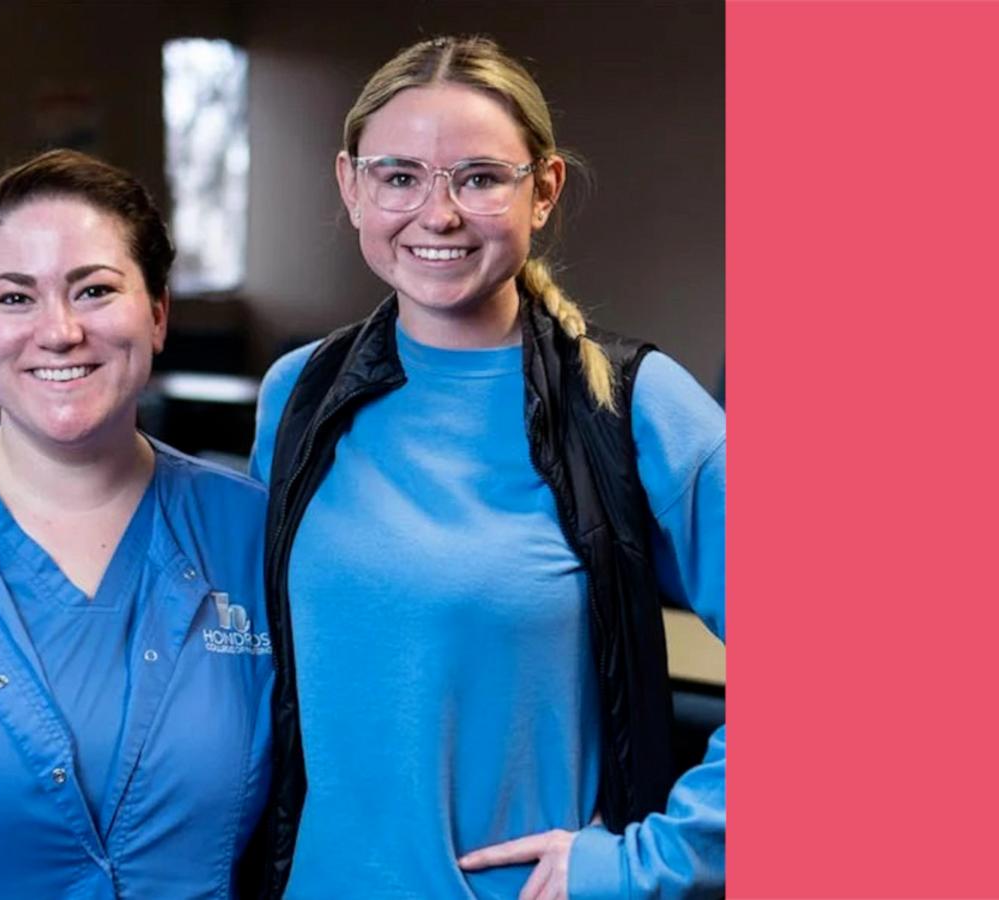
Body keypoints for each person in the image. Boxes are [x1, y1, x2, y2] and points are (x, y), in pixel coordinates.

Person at [245, 36, 725, 899]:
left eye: (478, 178)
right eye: (399, 177)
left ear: (542, 190)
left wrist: (653, 864)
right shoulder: (299, 395)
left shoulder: (634, 404)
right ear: (351, 186)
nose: (438, 214)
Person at [0, 149, 273, 898]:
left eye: (94, 290)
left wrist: (539, 820)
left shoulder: (253, 535)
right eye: (15, 298)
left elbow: (362, 769)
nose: (59, 331)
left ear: (158, 313)